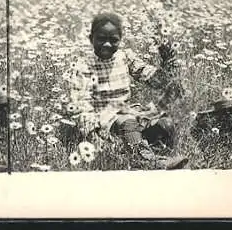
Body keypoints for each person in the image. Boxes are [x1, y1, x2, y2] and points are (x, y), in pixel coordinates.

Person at [70, 11, 188, 170]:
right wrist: (94, 136)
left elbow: (153, 78)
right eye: (101, 39)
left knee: (165, 123)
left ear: (120, 40)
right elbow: (80, 107)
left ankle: (145, 148)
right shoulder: (84, 65)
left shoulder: (125, 57)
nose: (106, 44)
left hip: (128, 113)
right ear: (91, 39)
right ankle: (147, 162)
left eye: (113, 40)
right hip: (102, 120)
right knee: (127, 121)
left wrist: (167, 65)